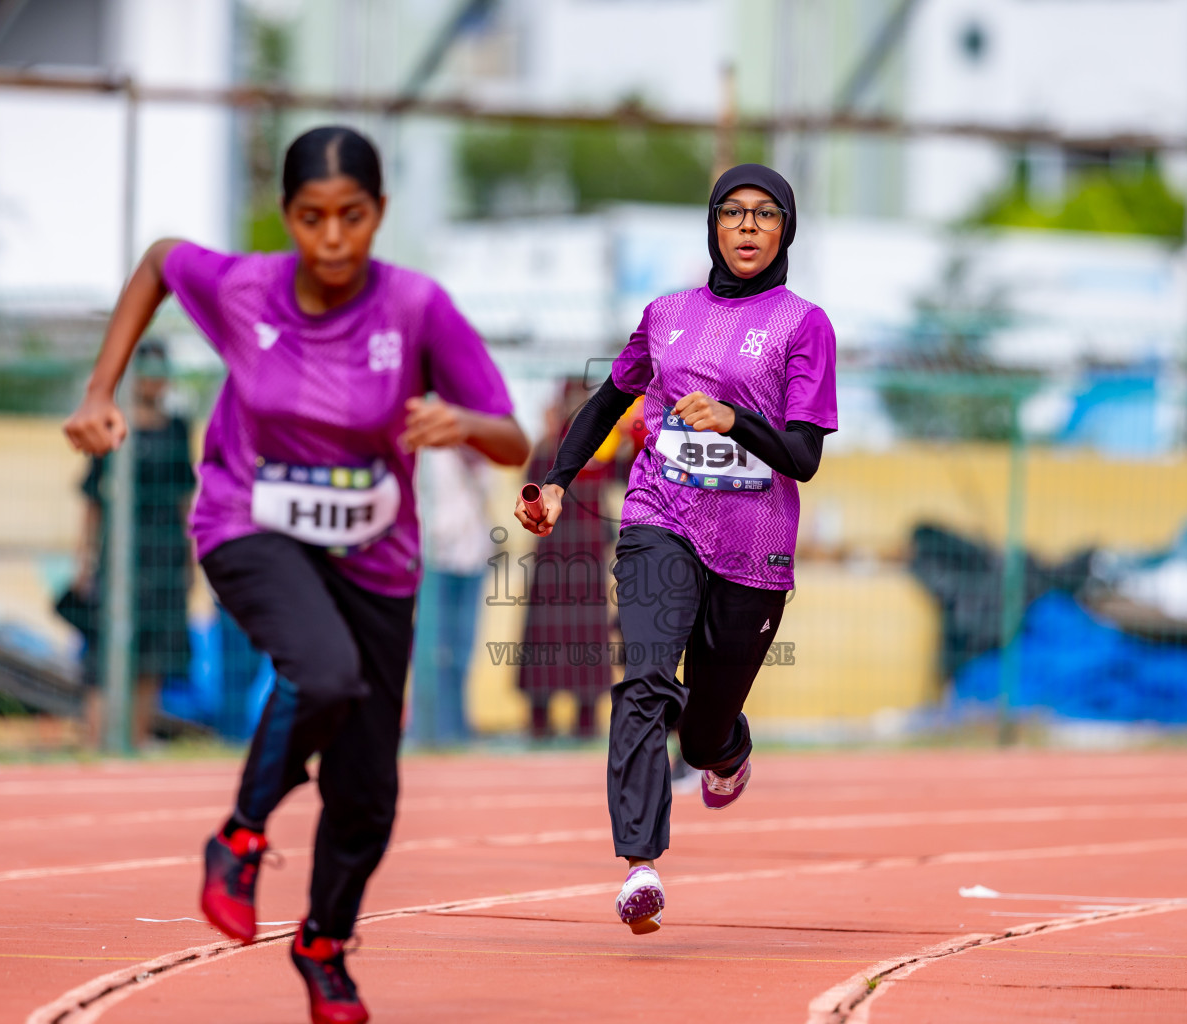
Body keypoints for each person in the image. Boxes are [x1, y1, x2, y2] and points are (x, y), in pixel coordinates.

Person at [63, 125, 529, 1024]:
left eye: (352, 217)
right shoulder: (244, 288)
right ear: (287, 219)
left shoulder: (416, 308)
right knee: (322, 673)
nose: (332, 239)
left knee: (369, 792)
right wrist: (98, 390)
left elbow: (511, 436)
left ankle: (323, 944)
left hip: (376, 555)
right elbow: (160, 259)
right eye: (311, 218)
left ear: (379, 215)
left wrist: (461, 425)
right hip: (250, 520)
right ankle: (239, 837)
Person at [514, 164, 837, 935]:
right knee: (646, 678)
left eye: (765, 215)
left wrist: (733, 421)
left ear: (785, 230)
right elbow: (609, 398)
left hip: (754, 545)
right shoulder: (666, 315)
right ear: (713, 227)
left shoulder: (802, 325)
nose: (749, 227)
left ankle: (727, 748)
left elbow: (803, 456)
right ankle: (639, 866)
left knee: (699, 731)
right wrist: (558, 481)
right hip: (661, 515)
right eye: (734, 213)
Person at [65, 338, 195, 749]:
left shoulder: (178, 428)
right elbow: (93, 499)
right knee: (103, 652)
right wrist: (84, 562)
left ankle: (134, 743)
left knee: (153, 655)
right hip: (119, 555)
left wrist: (191, 556)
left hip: (165, 553)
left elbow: (184, 497)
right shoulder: (110, 423)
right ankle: (96, 741)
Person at [517, 380, 618, 741]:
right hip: (553, 558)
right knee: (546, 637)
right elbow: (529, 486)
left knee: (587, 638)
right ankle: (539, 718)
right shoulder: (547, 450)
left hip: (588, 559)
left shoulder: (602, 448)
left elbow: (622, 470)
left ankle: (587, 718)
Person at [410, 444, 494, 745]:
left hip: (472, 558)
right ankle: (425, 728)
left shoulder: (483, 458)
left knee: (461, 649)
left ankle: (456, 728)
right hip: (436, 560)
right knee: (432, 649)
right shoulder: (431, 454)